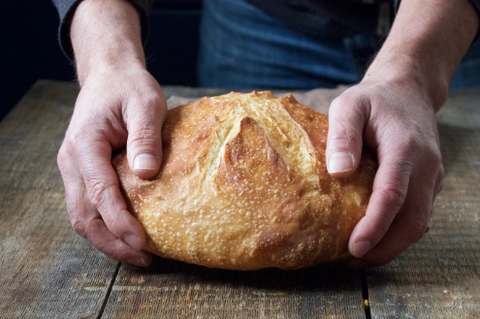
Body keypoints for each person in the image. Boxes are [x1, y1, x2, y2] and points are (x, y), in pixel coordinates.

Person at [51, 0, 479, 268]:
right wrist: (107, 60)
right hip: (265, 21)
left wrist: (415, 73)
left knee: (407, 178)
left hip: (451, 24)